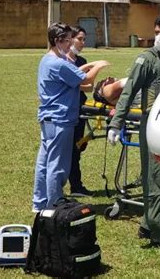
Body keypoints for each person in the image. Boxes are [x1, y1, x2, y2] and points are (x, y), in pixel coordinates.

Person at [107, 14, 160, 248]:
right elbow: (128, 93)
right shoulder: (147, 60)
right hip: (153, 125)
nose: (159, 37)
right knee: (157, 179)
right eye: (157, 32)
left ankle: (148, 223)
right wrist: (116, 123)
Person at [32, 22, 109, 212]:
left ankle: (40, 202)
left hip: (50, 118)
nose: (70, 44)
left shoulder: (48, 59)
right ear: (57, 41)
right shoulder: (58, 63)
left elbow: (75, 72)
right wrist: (98, 66)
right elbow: (86, 80)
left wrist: (89, 65)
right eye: (67, 41)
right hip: (60, 119)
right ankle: (54, 203)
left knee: (44, 162)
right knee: (57, 165)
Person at [66, 25, 103, 197]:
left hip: (80, 110)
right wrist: (79, 84)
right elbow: (79, 83)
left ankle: (76, 186)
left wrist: (78, 85)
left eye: (84, 39)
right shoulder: (63, 62)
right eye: (79, 39)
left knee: (78, 149)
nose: (82, 43)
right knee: (66, 150)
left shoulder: (81, 61)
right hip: (66, 111)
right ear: (69, 39)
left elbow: (88, 86)